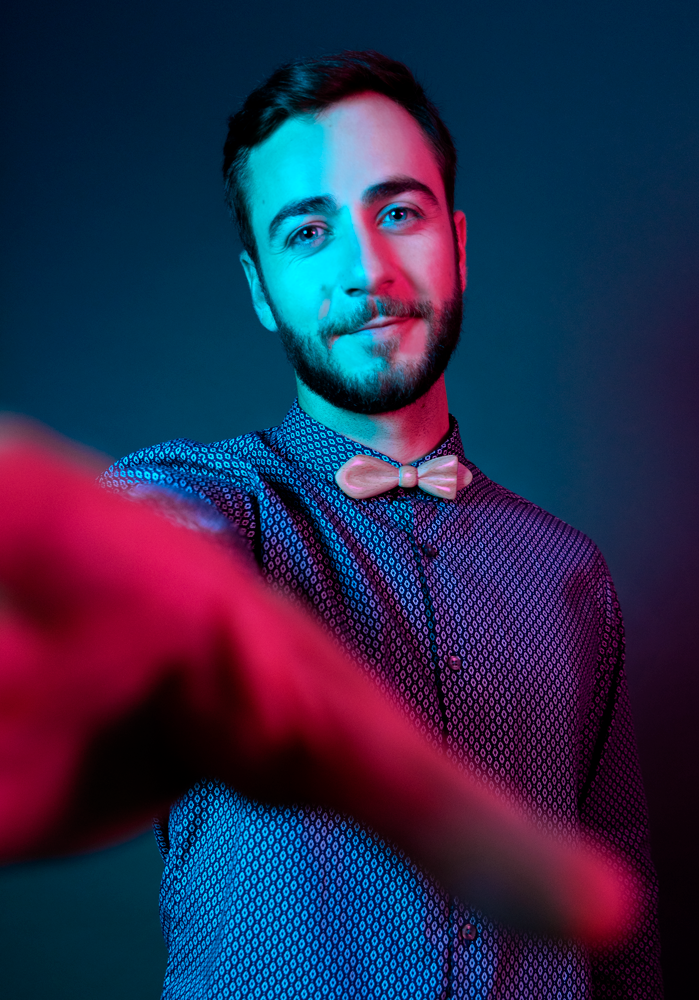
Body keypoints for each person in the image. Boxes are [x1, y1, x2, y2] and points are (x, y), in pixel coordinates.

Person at [102, 51, 662, 998]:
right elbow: (145, 541)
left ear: (458, 244)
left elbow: (617, 914)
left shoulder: (571, 575)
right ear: (260, 289)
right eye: (308, 232)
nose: (366, 269)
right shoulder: (223, 501)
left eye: (398, 213)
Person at [0, 421, 633, 946]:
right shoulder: (217, 487)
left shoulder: (571, 565)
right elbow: (163, 518)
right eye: (306, 259)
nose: (366, 296)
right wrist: (155, 573)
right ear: (264, 306)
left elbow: (617, 837)